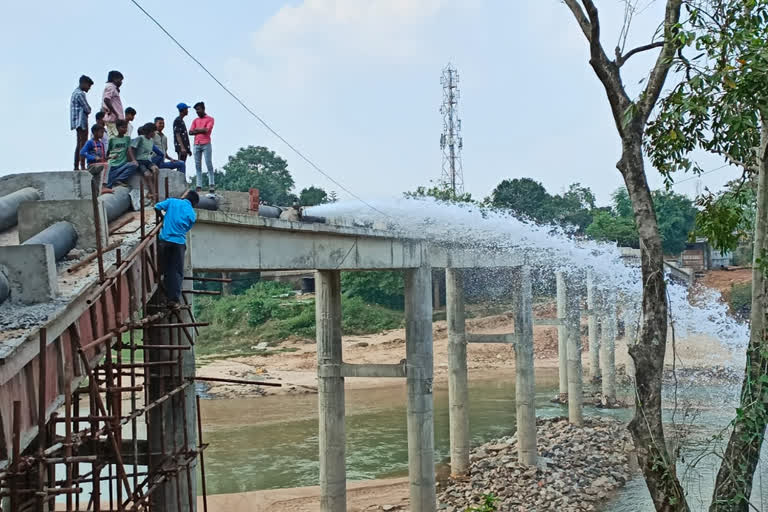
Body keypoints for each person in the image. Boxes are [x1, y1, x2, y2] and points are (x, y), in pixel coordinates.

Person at [154, 190, 199, 307]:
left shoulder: (172, 202)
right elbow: (187, 228)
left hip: (164, 240)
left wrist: (162, 218)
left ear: (185, 197)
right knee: (176, 272)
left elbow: (157, 207)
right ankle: (173, 300)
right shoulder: (192, 214)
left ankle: (162, 294)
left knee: (164, 269)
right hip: (179, 244)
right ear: (194, 203)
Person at [189, 102, 215, 193]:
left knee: (208, 163)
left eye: (198, 109)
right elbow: (190, 132)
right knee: (197, 165)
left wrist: (197, 130)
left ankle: (211, 184)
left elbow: (207, 130)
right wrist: (200, 130)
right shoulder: (195, 120)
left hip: (206, 143)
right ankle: (199, 185)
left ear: (203, 109)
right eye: (196, 110)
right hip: (196, 144)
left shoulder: (210, 119)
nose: (197, 112)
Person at [105, 119, 139, 188]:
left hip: (123, 164)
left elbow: (129, 150)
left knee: (134, 165)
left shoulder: (127, 139)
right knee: (109, 185)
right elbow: (108, 152)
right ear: (117, 128)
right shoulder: (112, 140)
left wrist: (134, 160)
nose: (125, 129)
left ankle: (119, 180)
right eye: (123, 127)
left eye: (126, 127)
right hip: (113, 164)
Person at [79, 124, 112, 193]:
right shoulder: (90, 142)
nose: (102, 134)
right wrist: (93, 157)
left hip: (99, 165)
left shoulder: (101, 144)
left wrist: (108, 157)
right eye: (101, 132)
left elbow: (102, 158)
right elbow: (82, 152)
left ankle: (97, 195)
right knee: (107, 165)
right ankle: (104, 186)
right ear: (94, 132)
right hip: (92, 166)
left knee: (97, 182)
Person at [70, 75, 93, 170]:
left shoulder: (74, 93)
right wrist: (89, 110)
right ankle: (82, 165)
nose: (89, 88)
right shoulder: (80, 94)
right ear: (83, 83)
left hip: (76, 122)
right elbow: (87, 108)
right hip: (81, 121)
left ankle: (76, 165)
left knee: (79, 144)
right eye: (88, 86)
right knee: (83, 144)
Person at [102, 71, 124, 137]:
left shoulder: (113, 88)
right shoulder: (111, 87)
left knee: (116, 137)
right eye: (120, 80)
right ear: (114, 79)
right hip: (113, 119)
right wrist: (115, 113)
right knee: (115, 138)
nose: (121, 82)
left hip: (115, 118)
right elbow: (106, 99)